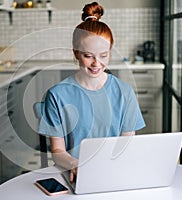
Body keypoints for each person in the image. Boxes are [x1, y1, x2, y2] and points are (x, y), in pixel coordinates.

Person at [38, 2, 145, 182]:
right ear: (76, 53)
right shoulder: (57, 95)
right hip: (74, 175)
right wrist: (74, 164)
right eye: (88, 56)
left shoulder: (124, 93)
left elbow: (127, 146)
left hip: (115, 175)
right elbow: (57, 152)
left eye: (104, 55)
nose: (97, 63)